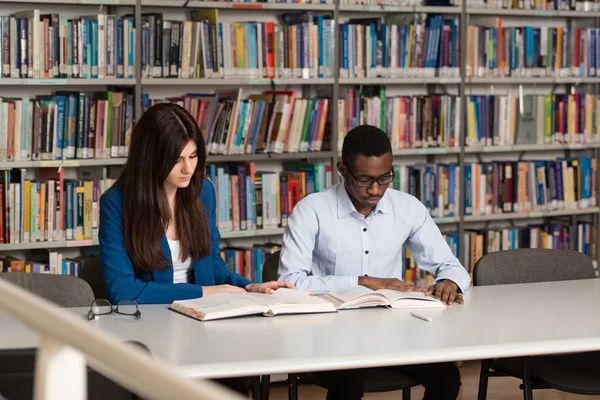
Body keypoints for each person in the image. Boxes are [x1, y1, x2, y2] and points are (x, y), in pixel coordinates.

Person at [99, 103, 292, 395]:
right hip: (149, 329)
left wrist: (249, 286)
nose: (189, 168)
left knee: (234, 381)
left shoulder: (204, 192)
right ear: (151, 158)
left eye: (193, 156)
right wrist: (203, 293)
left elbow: (213, 267)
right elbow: (123, 291)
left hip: (203, 326)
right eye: (177, 160)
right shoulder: (117, 204)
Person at [277, 124, 470, 400]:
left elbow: (451, 265)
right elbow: (290, 282)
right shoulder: (311, 211)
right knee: (349, 383)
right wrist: (364, 282)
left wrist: (449, 280)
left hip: (390, 331)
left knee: (447, 377)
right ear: (342, 170)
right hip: (329, 332)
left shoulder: (407, 208)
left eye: (384, 178)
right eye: (365, 180)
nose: (376, 189)